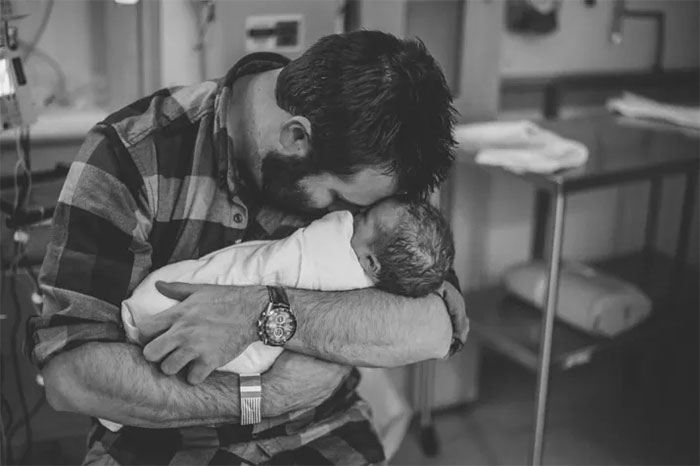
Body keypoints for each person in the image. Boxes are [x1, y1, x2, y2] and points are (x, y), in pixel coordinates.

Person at [28, 31, 469, 465]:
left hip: (322, 432)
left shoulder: (371, 166)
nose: (346, 219)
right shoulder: (130, 156)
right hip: (164, 445)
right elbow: (71, 378)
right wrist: (264, 396)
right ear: (296, 138)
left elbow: (435, 327)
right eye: (338, 200)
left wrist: (264, 313)